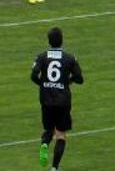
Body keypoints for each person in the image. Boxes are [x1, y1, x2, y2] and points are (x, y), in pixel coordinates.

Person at [30, 27, 84, 171]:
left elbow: (33, 75)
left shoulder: (41, 56)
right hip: (63, 101)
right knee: (60, 135)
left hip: (46, 99)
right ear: (62, 40)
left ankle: (45, 144)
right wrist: (68, 81)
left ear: (49, 41)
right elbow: (80, 78)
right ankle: (55, 168)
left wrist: (43, 85)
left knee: (48, 130)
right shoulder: (69, 58)